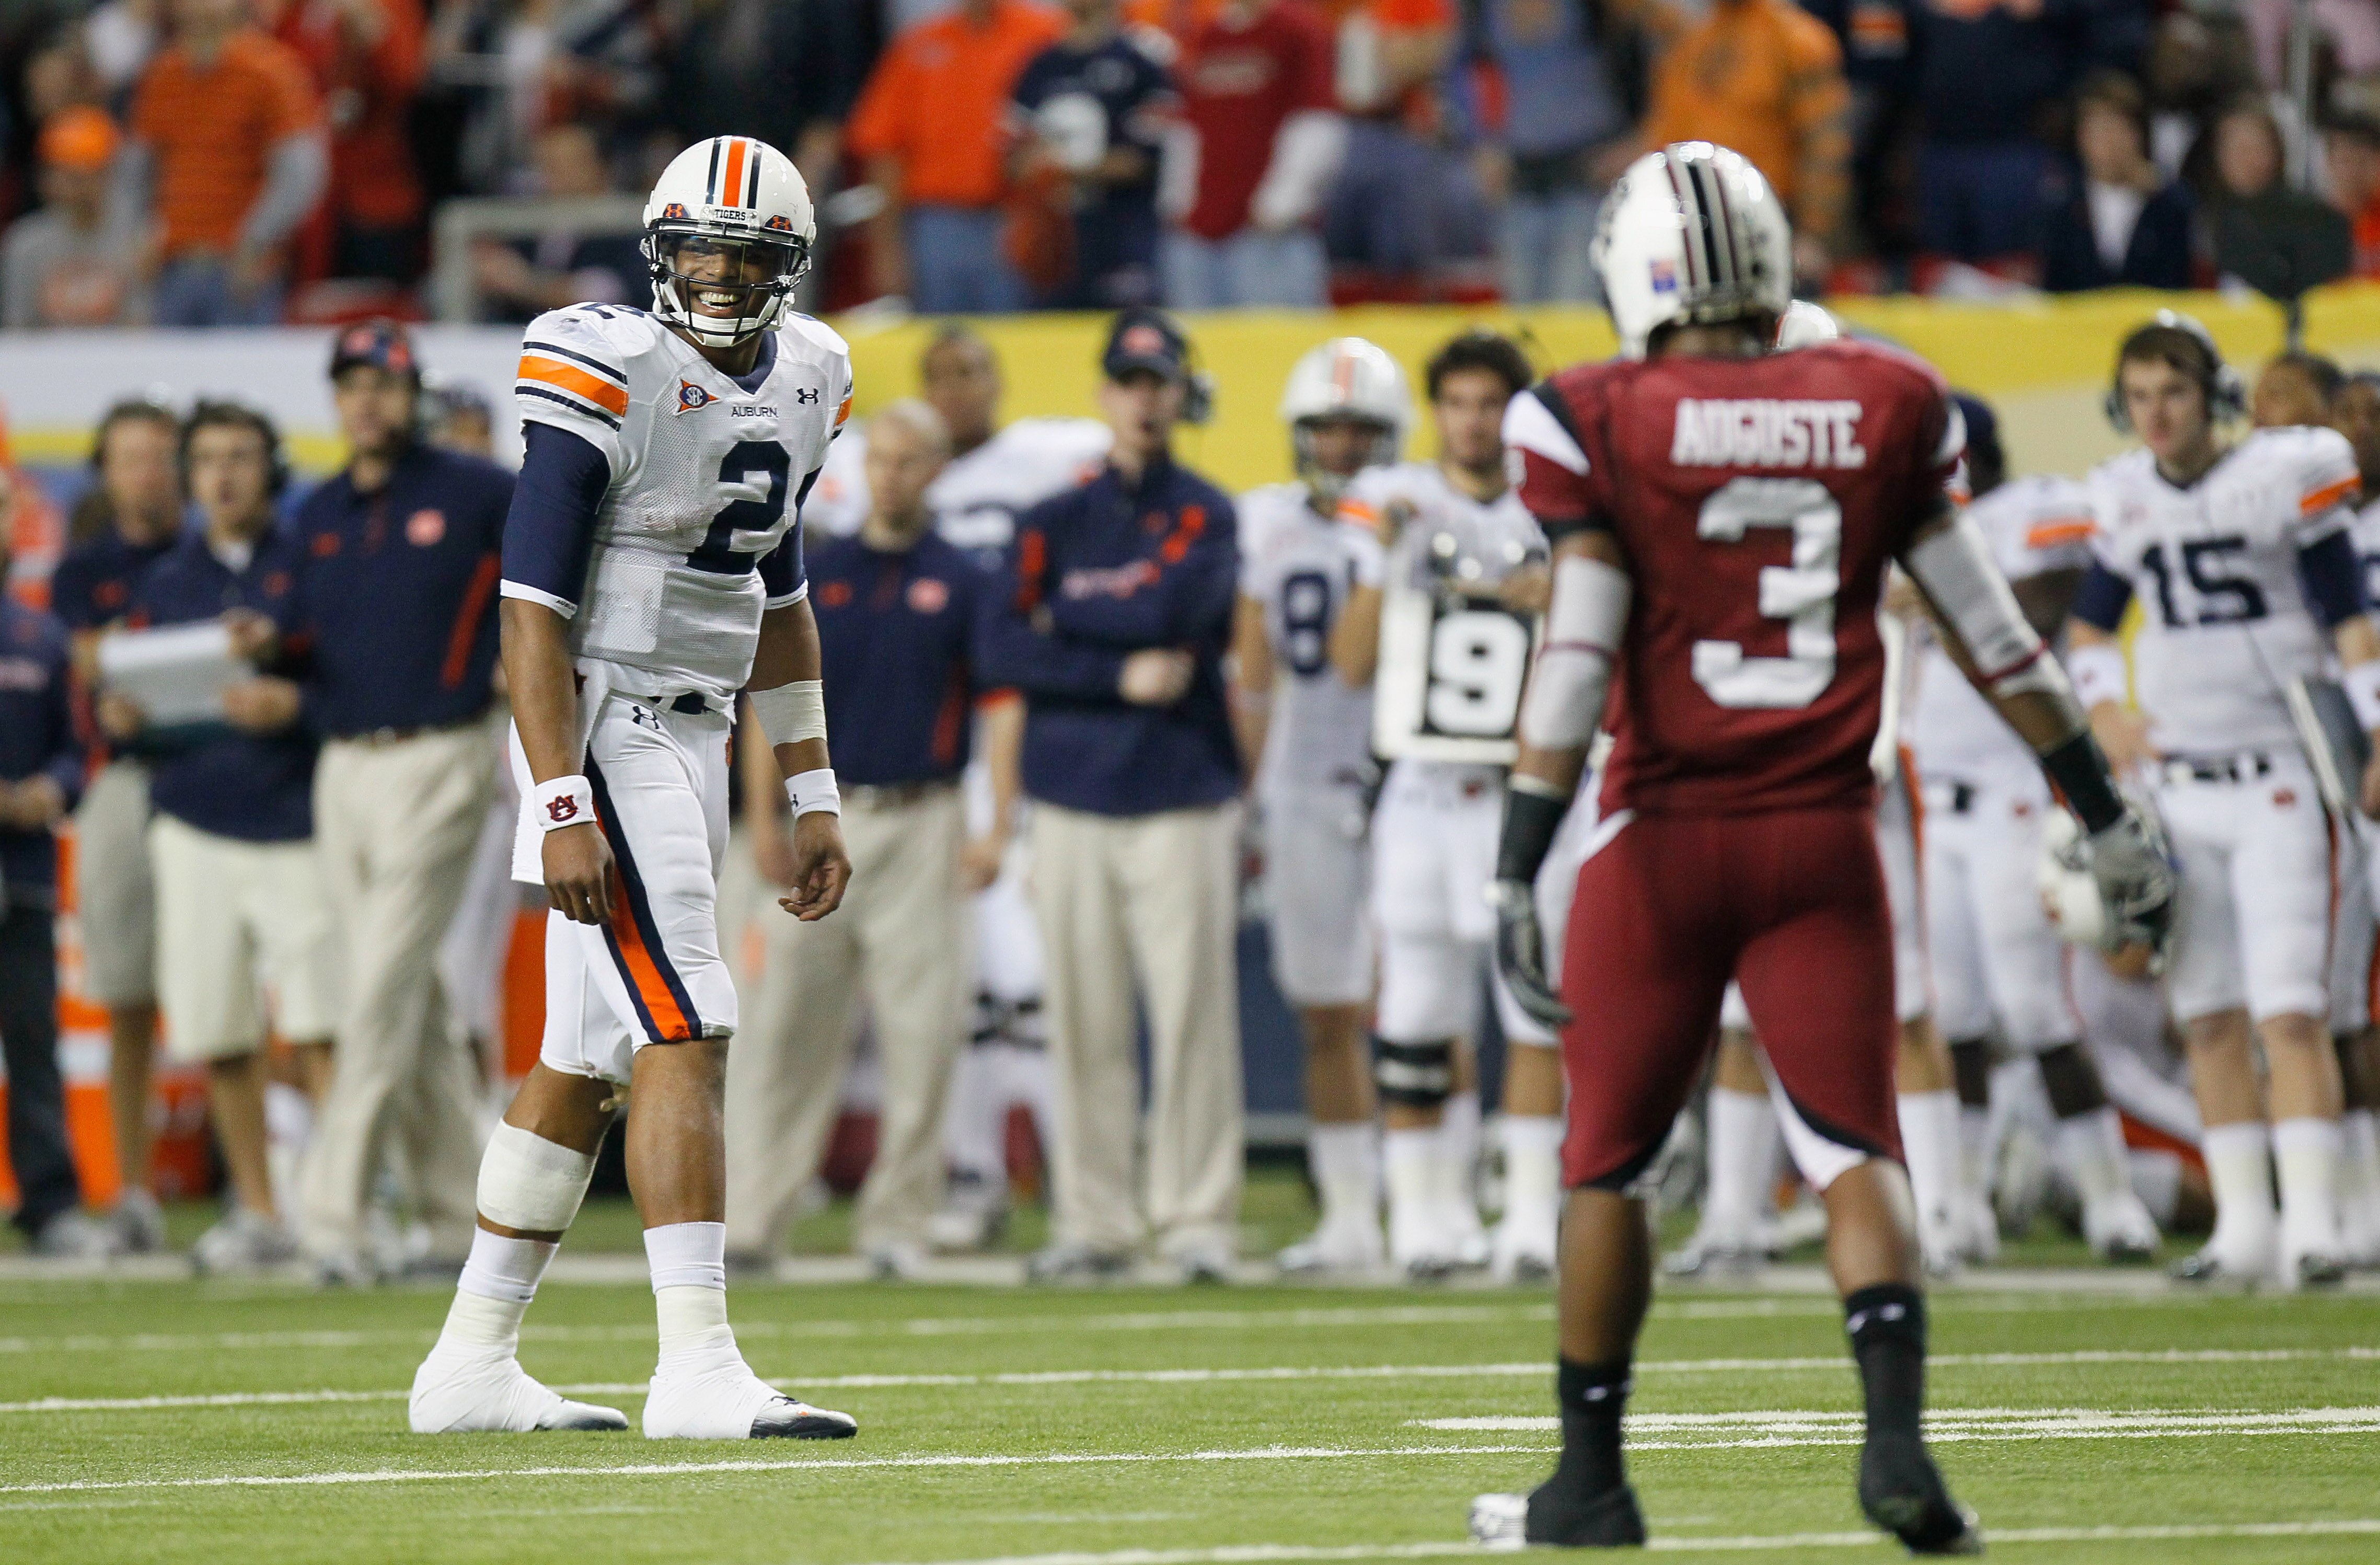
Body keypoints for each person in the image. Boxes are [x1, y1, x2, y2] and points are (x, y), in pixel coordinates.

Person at [1473, 142, 2169, 1550]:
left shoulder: (1594, 413)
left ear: (1635, 267)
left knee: (1603, 1165)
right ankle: (1898, 1448)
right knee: (1858, 1146)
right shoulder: (1886, 398)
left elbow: (1577, 650)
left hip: (1657, 838)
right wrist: (2100, 802)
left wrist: (1516, 852)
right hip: (1821, 840)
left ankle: (1590, 1485)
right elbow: (1992, 637)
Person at [408, 135, 859, 1441]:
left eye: (748, 253)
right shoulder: (604, 362)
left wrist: (811, 780)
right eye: (701, 249)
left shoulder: (815, 374)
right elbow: (530, 609)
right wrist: (560, 799)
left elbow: (776, 590)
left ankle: (469, 1362)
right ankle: (697, 1362)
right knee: (688, 1022)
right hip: (602, 716)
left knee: (584, 1056)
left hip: (698, 726)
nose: (719, 275)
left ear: (790, 265)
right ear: (661, 252)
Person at [2068, 314, 2380, 1288]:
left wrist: (2372, 733)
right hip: (2181, 788)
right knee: (2206, 1013)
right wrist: (2104, 711)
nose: (2155, 412)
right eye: (2140, 394)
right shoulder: (2120, 496)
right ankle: (2244, 1224)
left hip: (2280, 775)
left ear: (2209, 394)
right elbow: (2083, 633)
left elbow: (2347, 627)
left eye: (2171, 390)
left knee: (2288, 1010)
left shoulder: (2279, 475)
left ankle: (2314, 1221)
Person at [976, 307, 1243, 1282]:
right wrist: (1116, 667)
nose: (1141, 397)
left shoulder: (1207, 510)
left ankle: (1195, 1216)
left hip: (1179, 788)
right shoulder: (1051, 518)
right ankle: (1093, 1217)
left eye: (1156, 380)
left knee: (1191, 1016)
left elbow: (1185, 613)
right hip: (1073, 789)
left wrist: (1071, 631)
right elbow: (999, 643)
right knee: (1082, 1017)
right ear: (1104, 394)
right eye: (1127, 380)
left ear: (1178, 394)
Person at [722, 400, 1004, 1278]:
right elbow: (769, 699)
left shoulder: (963, 577)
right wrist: (761, 817)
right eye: (880, 457)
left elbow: (997, 704)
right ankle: (755, 1215)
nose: (892, 474)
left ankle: (897, 1221)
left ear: (934, 470)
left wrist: (992, 821)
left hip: (921, 816)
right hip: (822, 812)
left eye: (910, 459)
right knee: (781, 1030)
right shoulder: (817, 570)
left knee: (921, 1031)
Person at [275, 319, 516, 1282]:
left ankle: (332, 1215)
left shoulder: (477, 490)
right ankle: (466, 1213)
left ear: (412, 393)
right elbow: (297, 633)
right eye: (352, 383)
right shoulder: (320, 508)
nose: (367, 399)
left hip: (441, 750)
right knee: (404, 992)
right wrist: (262, 658)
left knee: (373, 985)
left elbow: (554, 591)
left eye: (383, 381)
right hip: (343, 761)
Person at [1905, 392, 2160, 1264]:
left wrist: (1934, 593)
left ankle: (2109, 1198)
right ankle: (1960, 1207)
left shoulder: (2028, 508)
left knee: (2033, 1004)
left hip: (2012, 789)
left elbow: (2049, 602)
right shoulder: (1901, 525)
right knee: (1959, 1015)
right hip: (1932, 799)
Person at [1327, 328, 1556, 1280]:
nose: (1472, 421)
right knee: (1416, 1006)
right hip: (1418, 790)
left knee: (1534, 1010)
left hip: (1522, 791)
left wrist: (1564, 592)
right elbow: (1348, 663)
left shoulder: (1555, 508)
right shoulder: (1394, 505)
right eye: (1456, 402)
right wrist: (1383, 567)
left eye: (1489, 402)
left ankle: (1532, 1218)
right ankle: (1423, 1216)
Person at [103, 401, 337, 1274]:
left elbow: (351, 684)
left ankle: (341, 1202)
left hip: (296, 817)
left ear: (270, 466)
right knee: (221, 1027)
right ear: (189, 474)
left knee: (323, 1023)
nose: (224, 475)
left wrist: (294, 703)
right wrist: (124, 719)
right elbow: (139, 719)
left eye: (240, 456)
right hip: (194, 820)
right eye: (207, 460)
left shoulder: (311, 564)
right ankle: (262, 1207)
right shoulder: (165, 582)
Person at [1229, 336, 1408, 1273]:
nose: (1339, 444)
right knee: (1324, 1009)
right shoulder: (1263, 521)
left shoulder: (1416, 515)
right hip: (1302, 780)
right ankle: (1350, 1216)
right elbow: (1252, 667)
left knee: (1419, 1003)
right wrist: (1248, 788)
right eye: (1325, 427)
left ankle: (1428, 1204)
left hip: (1404, 777)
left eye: (1357, 428)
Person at [49, 397, 183, 1253]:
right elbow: (79, 674)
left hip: (220, 777)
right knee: (128, 991)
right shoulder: (81, 571)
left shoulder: (211, 557)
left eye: (158, 455)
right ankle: (130, 1185)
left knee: (250, 999)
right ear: (107, 471)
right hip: (121, 781)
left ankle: (278, 1187)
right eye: (130, 457)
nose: (146, 471)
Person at [0, 473, 115, 1258]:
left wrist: (53, 788)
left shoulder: (39, 638)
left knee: (32, 1039)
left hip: (24, 873)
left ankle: (49, 1201)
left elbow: (81, 748)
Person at [847, 0, 1069, 312]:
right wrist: (887, 249)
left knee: (1017, 336)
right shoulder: (920, 43)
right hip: (936, 222)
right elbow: (884, 150)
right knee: (940, 336)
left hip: (1019, 217)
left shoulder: (1045, 34)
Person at [123, 0, 326, 327]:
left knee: (241, 371)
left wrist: (257, 238)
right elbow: (137, 170)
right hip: (172, 264)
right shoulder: (162, 74)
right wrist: (142, 233)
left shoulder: (272, 71)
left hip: (240, 267)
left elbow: (301, 172)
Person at [1635, 0, 1849, 287]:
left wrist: (1814, 235)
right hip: (1690, 224)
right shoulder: (1690, 42)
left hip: (1768, 223)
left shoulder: (1796, 39)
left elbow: (1826, 147)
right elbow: (1663, 144)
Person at [1159, 0, 1343, 309]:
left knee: (1275, 343)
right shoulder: (1211, 34)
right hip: (1201, 229)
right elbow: (1189, 126)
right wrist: (1178, 200)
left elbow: (1318, 121)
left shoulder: (1299, 30)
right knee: (1201, 348)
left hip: (1268, 234)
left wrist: (1282, 202)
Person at [1007, 0, 1175, 308]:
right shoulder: (1039, 66)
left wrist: (1061, 168)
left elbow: (1143, 161)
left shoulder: (1142, 62)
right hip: (1057, 235)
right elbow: (1014, 161)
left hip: (1122, 231)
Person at [2037, 71, 2194, 293]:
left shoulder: (2169, 205)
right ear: (2081, 137)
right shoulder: (2062, 207)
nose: (2109, 142)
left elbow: (2180, 285)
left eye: (2119, 129)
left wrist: (2158, 195)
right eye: (2098, 131)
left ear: (2139, 135)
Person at [2, 106, 150, 328]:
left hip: (116, 359)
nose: (77, 189)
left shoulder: (137, 240)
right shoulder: (26, 243)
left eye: (87, 175)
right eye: (68, 175)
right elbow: (17, 330)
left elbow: (140, 326)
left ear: (108, 174)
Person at [2203, 96, 2352, 303]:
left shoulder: (2317, 219)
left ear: (2276, 152)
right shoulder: (2205, 217)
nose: (2243, 160)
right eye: (2234, 148)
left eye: (2253, 148)